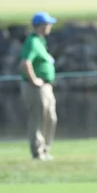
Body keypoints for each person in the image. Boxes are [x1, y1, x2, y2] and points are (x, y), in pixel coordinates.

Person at [19, 12, 58, 161]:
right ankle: (37, 152)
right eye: (48, 24)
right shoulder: (32, 41)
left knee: (51, 117)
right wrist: (34, 80)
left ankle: (45, 149)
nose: (50, 26)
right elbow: (25, 63)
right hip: (35, 87)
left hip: (46, 86)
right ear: (40, 25)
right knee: (38, 118)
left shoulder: (40, 41)